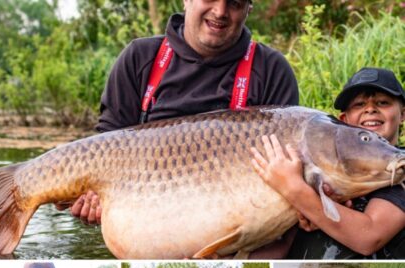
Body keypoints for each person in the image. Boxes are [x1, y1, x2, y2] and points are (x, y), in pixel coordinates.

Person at [65, 0, 299, 227]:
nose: (220, 11)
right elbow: (105, 144)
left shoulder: (271, 69)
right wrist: (92, 198)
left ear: (248, 9)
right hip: (147, 221)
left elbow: (287, 175)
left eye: (234, 3)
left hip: (236, 221)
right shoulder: (139, 58)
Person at [251, 67, 405, 259]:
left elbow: (369, 238)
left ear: (402, 114)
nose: (370, 109)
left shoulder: (400, 165)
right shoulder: (318, 165)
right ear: (343, 120)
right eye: (359, 104)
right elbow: (282, 246)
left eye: (383, 102)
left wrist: (295, 190)